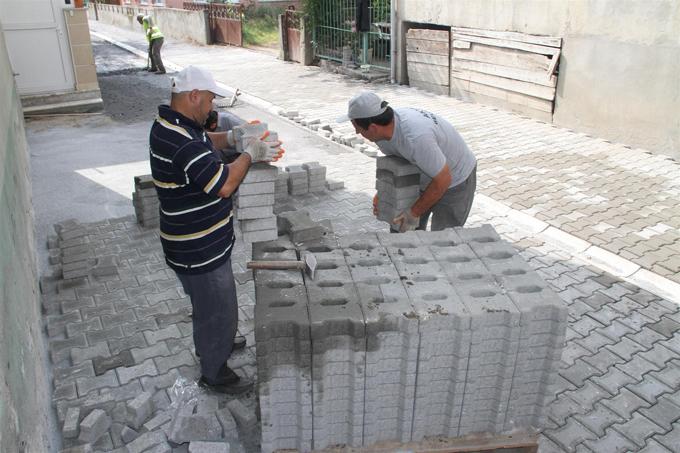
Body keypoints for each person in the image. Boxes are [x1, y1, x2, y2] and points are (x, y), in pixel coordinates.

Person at [149, 66, 284, 393]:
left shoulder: (176, 124)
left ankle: (214, 343)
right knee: (219, 309)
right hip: (198, 249)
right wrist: (250, 153)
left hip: (197, 242)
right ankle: (214, 371)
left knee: (209, 306)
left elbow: (207, 141)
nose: (212, 107)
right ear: (193, 96)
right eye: (209, 100)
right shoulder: (180, 140)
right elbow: (224, 184)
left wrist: (233, 139)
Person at [339, 91, 477, 232]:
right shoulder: (382, 134)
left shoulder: (415, 138)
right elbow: (401, 163)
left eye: (357, 127)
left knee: (444, 238)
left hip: (455, 179)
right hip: (424, 173)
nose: (356, 132)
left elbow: (443, 180)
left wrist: (413, 213)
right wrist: (383, 194)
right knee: (403, 227)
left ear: (373, 127)